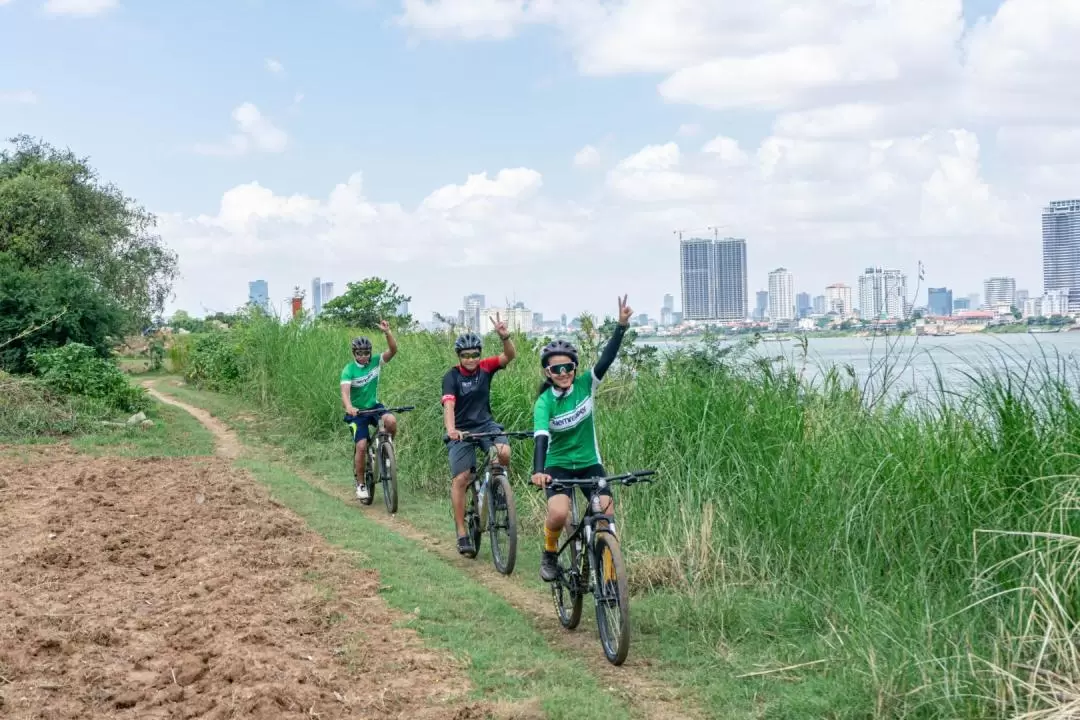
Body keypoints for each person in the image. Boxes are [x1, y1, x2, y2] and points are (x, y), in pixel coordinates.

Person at [531, 295, 632, 582]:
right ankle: (550, 553)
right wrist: (539, 471)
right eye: (556, 370)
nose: (563, 373)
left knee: (606, 514)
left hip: (590, 463)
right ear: (548, 373)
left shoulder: (586, 384)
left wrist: (621, 326)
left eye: (568, 368)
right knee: (559, 513)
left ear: (575, 368)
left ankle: (611, 581)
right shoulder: (545, 402)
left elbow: (607, 358)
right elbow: (540, 437)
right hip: (558, 465)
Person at [442, 314, 516, 555]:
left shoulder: (486, 368)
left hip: (486, 425)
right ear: (459, 357)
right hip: (461, 432)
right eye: (466, 355)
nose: (471, 359)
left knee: (503, 452)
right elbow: (449, 405)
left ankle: (497, 489)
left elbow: (509, 356)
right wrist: (452, 430)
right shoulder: (451, 377)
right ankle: (462, 532)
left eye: (475, 354)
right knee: (462, 478)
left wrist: (504, 336)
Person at [340, 320, 398, 501]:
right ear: (354, 354)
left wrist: (387, 332)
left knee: (391, 421)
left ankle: (386, 452)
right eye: (360, 353)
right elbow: (345, 393)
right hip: (357, 413)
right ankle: (361, 483)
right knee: (362, 445)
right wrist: (349, 408)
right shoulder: (349, 370)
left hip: (373, 406)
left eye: (366, 353)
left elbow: (393, 351)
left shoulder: (375, 361)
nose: (364, 356)